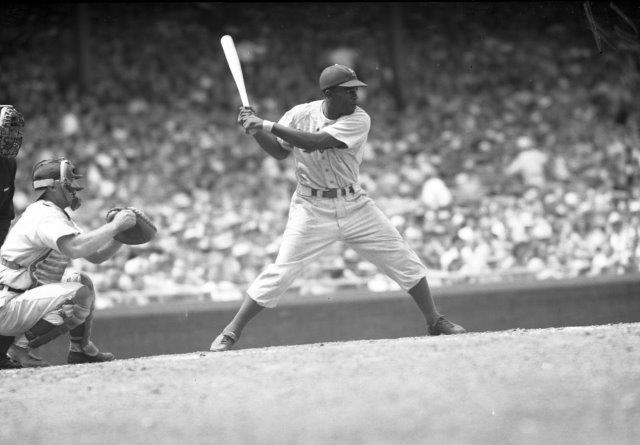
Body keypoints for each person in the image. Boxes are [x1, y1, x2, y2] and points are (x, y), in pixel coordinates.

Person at [210, 64, 466, 352]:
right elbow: (280, 151)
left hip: (354, 203)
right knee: (280, 272)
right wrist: (254, 130)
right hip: (310, 207)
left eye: (356, 89)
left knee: (402, 257)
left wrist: (265, 123)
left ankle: (435, 320)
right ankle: (231, 330)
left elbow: (317, 141)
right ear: (330, 94)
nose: (356, 96)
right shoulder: (299, 114)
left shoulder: (359, 119)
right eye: (349, 91)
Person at [0, 157, 137, 368]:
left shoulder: (55, 214)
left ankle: (80, 350)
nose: (75, 187)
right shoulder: (43, 214)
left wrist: (120, 237)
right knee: (78, 293)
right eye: (69, 182)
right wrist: (115, 227)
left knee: (82, 281)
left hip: (18, 298)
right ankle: (19, 347)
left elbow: (96, 255)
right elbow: (76, 248)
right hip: (7, 302)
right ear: (53, 186)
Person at [0, 105, 24, 369]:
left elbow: (4, 212)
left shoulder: (9, 163)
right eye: (6, 132)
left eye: (15, 132)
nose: (12, 138)